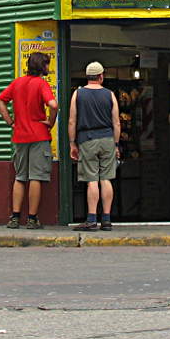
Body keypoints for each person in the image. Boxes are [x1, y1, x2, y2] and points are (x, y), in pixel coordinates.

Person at [0, 51, 58, 229]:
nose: (48, 67)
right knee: (36, 177)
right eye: (47, 64)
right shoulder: (41, 83)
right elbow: (53, 105)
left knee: (20, 176)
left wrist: (10, 122)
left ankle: (14, 217)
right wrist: (51, 121)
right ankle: (32, 218)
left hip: (20, 135)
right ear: (42, 66)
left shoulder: (17, 83)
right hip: (39, 134)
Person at [69, 61, 120, 232]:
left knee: (92, 180)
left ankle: (91, 219)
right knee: (106, 178)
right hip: (107, 138)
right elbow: (117, 123)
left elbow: (72, 121)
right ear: (101, 76)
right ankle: (106, 219)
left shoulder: (78, 94)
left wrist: (72, 143)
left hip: (87, 139)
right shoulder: (110, 95)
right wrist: (116, 144)